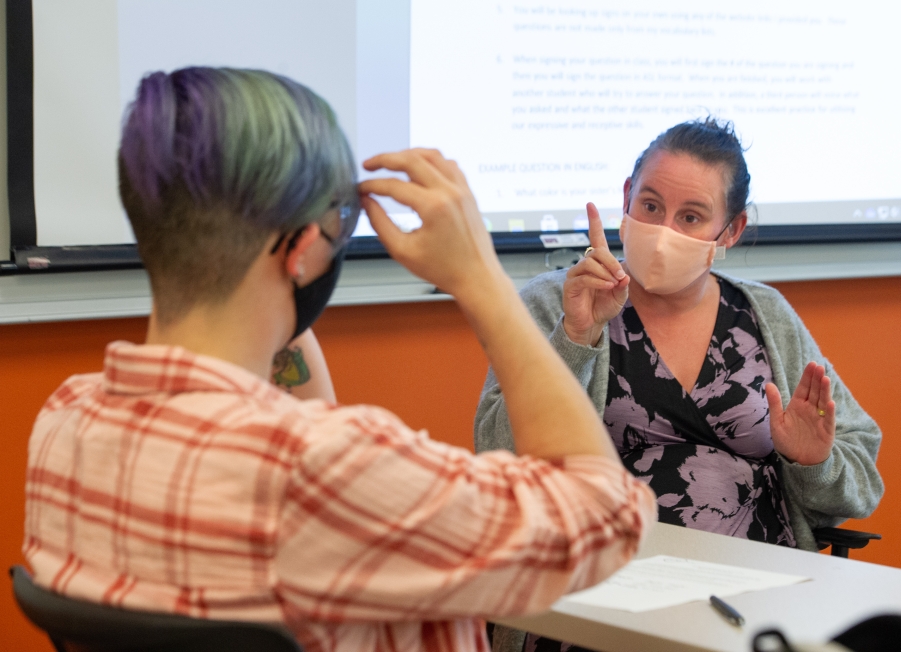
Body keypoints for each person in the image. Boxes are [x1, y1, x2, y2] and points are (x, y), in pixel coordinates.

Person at [23, 67, 658, 652]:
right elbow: (606, 518)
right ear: (301, 249)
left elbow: (290, 447)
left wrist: (283, 284)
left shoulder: (66, 421)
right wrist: (481, 279)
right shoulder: (321, 468)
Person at [475, 119, 884, 652]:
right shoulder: (555, 304)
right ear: (625, 197)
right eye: (650, 207)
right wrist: (577, 338)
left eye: (691, 217)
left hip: (754, 607)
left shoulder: (766, 316)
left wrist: (811, 463)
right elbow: (496, 458)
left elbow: (861, 481)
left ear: (730, 231)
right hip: (596, 605)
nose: (664, 231)